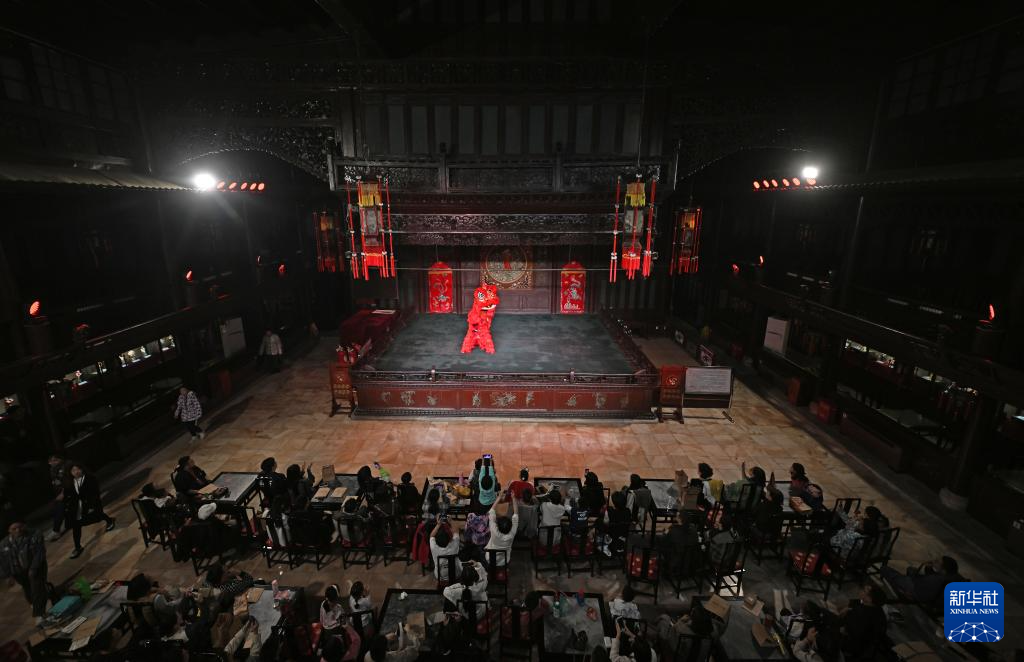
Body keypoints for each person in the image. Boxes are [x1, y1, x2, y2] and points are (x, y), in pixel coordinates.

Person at [63, 462, 115, 558]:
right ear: (70, 472)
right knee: (76, 525)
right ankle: (78, 547)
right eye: (73, 470)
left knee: (97, 517)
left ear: (82, 469)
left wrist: (91, 506)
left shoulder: (90, 479)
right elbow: (68, 496)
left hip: (91, 504)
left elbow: (95, 493)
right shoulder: (70, 483)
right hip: (78, 508)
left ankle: (109, 520)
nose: (76, 472)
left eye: (78, 469)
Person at [0, 521, 48, 623]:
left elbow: (40, 552)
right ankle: (35, 603)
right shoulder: (4, 544)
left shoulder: (35, 534)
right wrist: (7, 576)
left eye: (20, 527)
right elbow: (3, 561)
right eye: (14, 529)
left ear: (24, 526)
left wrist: (33, 568)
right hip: (19, 572)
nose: (18, 530)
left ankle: (39, 613)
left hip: (36, 567)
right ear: (9, 531)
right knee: (28, 588)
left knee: (36, 586)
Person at [881, 555, 962, 605]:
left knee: (885, 569)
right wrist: (928, 568)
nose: (934, 562)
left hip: (916, 589)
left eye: (937, 562)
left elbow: (918, 583)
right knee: (910, 569)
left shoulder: (935, 580)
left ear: (943, 570)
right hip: (928, 590)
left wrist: (909, 593)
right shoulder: (951, 576)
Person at [839, 584, 888, 661]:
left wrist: (841, 616)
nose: (860, 590)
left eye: (864, 591)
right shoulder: (877, 608)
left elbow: (846, 631)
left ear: (869, 599)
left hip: (853, 647)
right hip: (866, 644)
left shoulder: (861, 615)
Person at [485, 493, 518, 565]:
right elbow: (516, 515)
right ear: (510, 526)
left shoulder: (494, 531)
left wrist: (499, 497)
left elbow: (491, 511)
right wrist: (513, 498)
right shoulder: (512, 533)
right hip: (504, 560)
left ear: (497, 526)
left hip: (490, 559)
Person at [602, 490, 631, 556]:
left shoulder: (609, 511)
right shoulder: (628, 511)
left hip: (612, 534)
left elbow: (605, 523)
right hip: (623, 534)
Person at [45, 455, 68, 541]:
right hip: (63, 493)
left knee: (60, 505)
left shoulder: (66, 467)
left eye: (56, 460)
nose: (54, 462)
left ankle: (56, 530)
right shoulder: (53, 471)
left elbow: (70, 482)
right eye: (52, 461)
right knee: (55, 505)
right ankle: (57, 528)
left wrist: (63, 493)